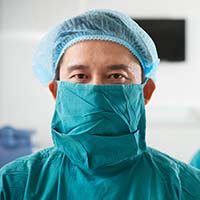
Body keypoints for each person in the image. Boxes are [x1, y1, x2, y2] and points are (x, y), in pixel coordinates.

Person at [0, 9, 200, 200]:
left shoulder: (185, 188)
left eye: (116, 76)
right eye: (80, 76)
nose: (95, 89)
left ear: (145, 91)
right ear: (56, 91)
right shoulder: (14, 185)